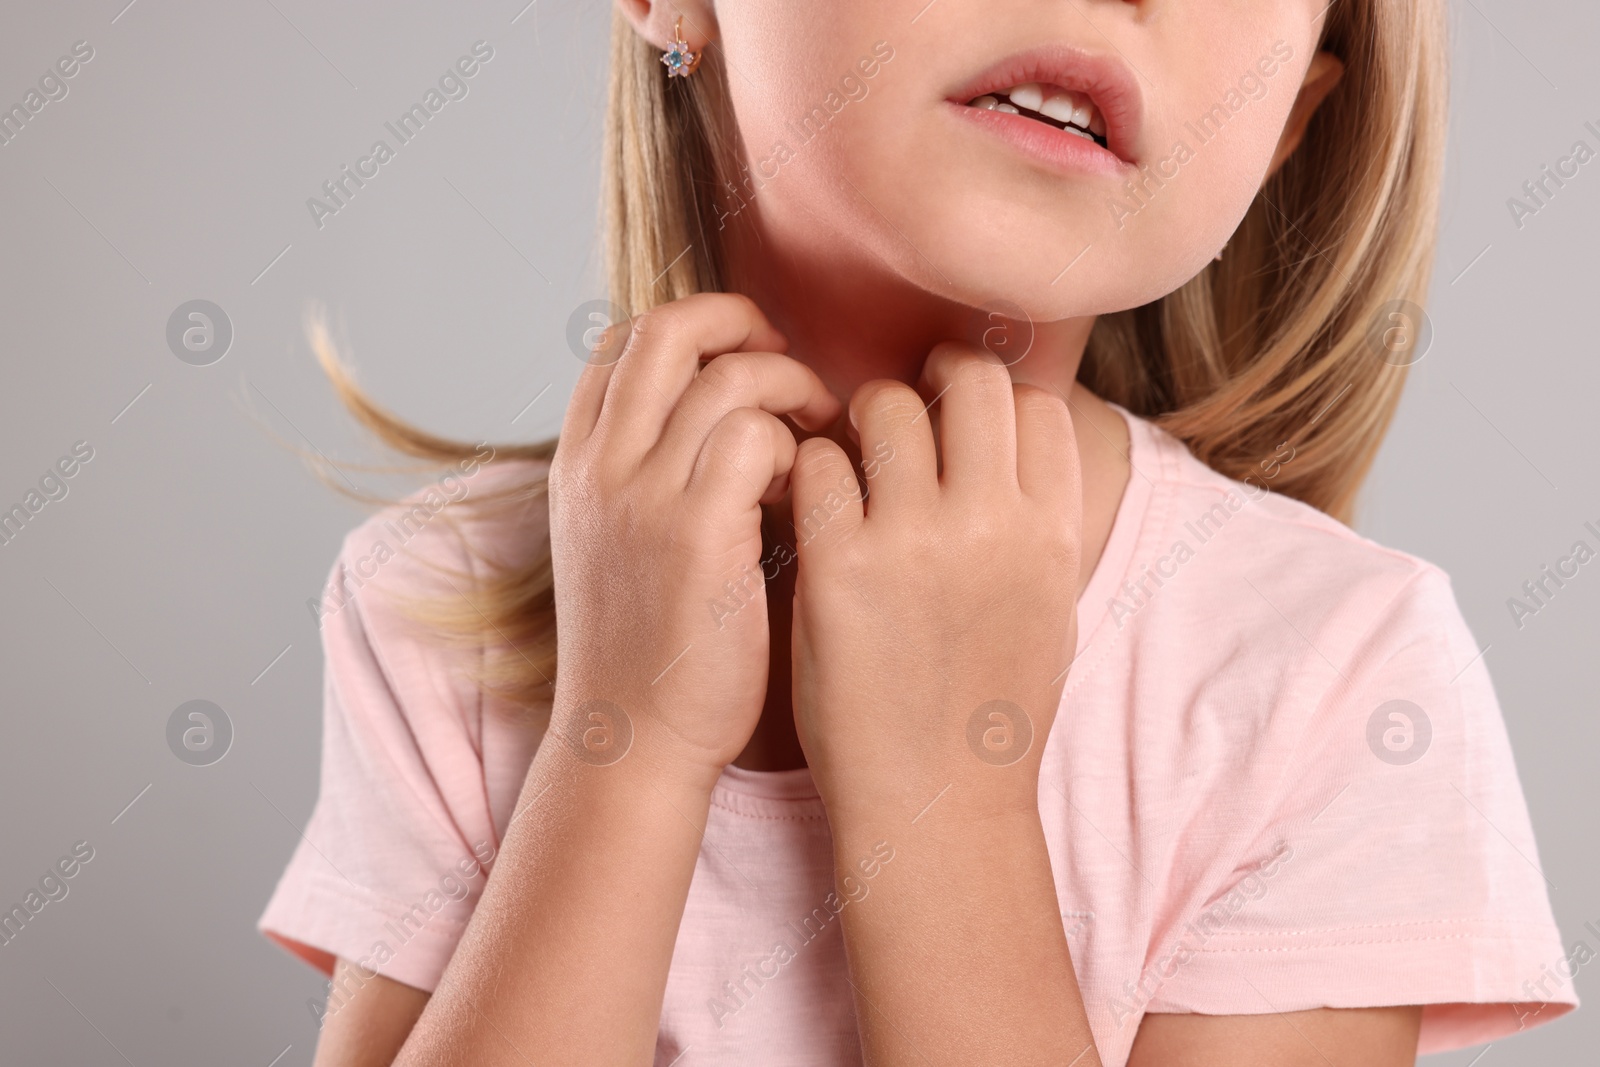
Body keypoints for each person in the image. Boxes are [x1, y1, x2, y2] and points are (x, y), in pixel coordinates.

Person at [259, 1, 1577, 1064]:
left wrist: (947, 792)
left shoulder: (1331, 674)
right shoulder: (443, 602)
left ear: (1286, 120)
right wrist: (625, 740)